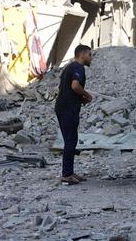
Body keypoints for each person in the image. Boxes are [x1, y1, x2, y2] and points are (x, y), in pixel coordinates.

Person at [55, 44, 93, 185]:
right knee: (71, 141)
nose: (91, 58)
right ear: (82, 54)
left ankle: (69, 172)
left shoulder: (69, 67)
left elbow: (67, 90)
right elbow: (75, 86)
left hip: (63, 106)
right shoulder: (78, 67)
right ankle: (66, 175)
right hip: (68, 108)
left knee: (70, 140)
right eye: (90, 55)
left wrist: (80, 99)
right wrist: (87, 95)